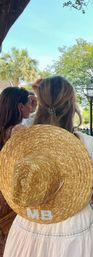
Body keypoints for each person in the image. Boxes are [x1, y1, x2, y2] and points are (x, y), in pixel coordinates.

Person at [2, 76, 93, 257]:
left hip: (28, 225)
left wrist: (39, 97)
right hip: (75, 229)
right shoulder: (91, 145)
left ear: (38, 104)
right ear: (72, 106)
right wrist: (84, 219)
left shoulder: (22, 139)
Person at [0, 87, 31, 257]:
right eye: (28, 104)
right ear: (20, 107)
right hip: (11, 195)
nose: (30, 107)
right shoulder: (18, 130)